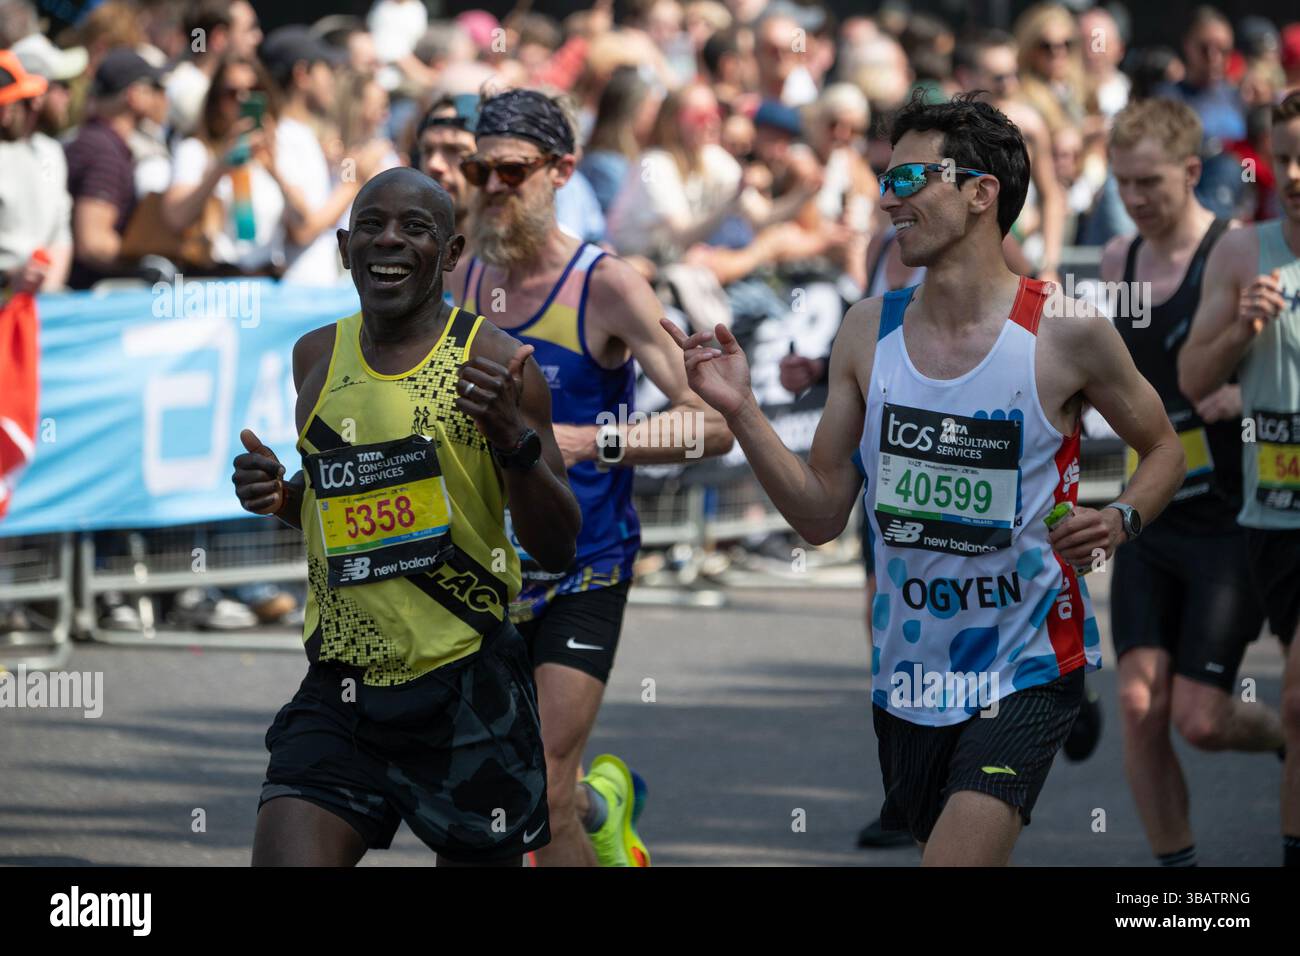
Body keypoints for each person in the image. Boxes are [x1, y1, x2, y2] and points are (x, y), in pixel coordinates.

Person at [666, 91, 1185, 865]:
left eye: (910, 178)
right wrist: (741, 409)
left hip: (1029, 664)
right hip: (908, 677)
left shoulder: (1067, 332)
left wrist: (1121, 522)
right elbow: (818, 517)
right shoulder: (866, 330)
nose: (886, 198)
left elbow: (1166, 449)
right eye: (885, 178)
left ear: (982, 193)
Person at [232, 166, 581, 866]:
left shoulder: (498, 362)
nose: (389, 241)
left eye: (415, 229)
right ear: (344, 246)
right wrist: (284, 498)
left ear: (451, 254)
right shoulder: (316, 358)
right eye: (372, 225)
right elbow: (349, 518)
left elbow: (558, 544)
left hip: (465, 687)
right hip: (343, 688)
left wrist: (514, 438)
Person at [450, 87, 733, 866]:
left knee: (539, 781)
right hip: (485, 572)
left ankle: (581, 802)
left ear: (562, 170)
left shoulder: (604, 284)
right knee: (491, 784)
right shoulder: (464, 276)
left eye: (513, 170)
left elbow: (710, 422)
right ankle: (602, 807)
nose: (495, 188)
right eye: (482, 171)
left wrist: (589, 440)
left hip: (584, 566)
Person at [1101, 97, 1283, 868]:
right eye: (1124, 184)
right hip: (1151, 507)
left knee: (1203, 720)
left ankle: (1286, 736)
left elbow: (1279, 372)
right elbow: (1114, 377)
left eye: (1150, 182)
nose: (1137, 199)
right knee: (1140, 705)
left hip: (1227, 519)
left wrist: (1240, 394)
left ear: (1189, 170)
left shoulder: (1238, 250)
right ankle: (1178, 880)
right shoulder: (1117, 261)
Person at [1178, 90, 1300, 868]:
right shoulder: (1240, 251)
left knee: (1297, 699)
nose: (1297, 173)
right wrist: (1239, 330)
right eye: (1285, 157)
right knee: (1203, 718)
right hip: (1266, 520)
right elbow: (1192, 376)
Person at [63, 47, 166, 288]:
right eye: (155, 89)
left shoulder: (95, 141)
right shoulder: (103, 151)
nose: (162, 98)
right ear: (133, 95)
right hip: (83, 307)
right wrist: (142, 264)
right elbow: (93, 243)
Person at [0, 49, 71, 293]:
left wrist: (46, 297)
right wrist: (9, 281)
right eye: (23, 100)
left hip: (38, 306)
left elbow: (60, 231)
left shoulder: (51, 153)